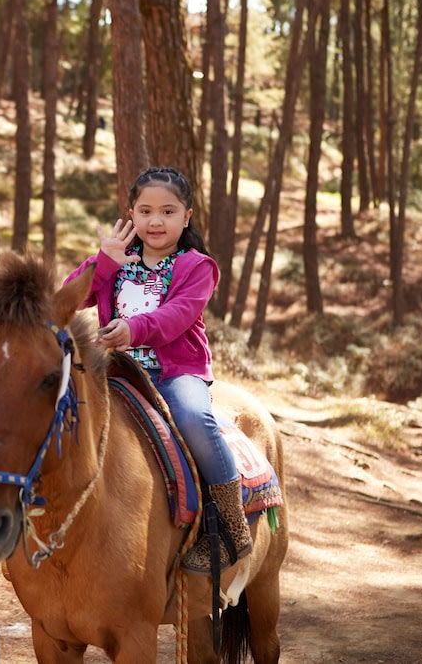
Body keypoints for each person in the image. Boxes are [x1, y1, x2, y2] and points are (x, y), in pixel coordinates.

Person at [64, 166, 251, 574]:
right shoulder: (116, 260)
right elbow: (68, 299)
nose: (155, 221)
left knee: (193, 418)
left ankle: (232, 528)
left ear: (186, 217)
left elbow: (177, 316)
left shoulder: (196, 266)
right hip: (114, 371)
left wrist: (133, 328)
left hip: (173, 372)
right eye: (145, 211)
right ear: (131, 213)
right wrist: (102, 262)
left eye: (167, 212)